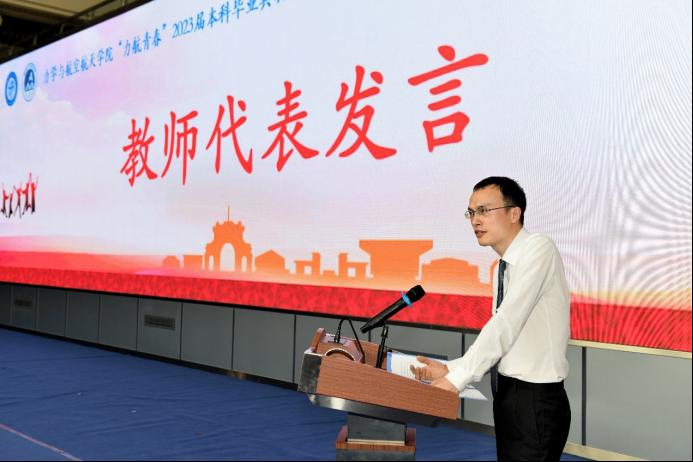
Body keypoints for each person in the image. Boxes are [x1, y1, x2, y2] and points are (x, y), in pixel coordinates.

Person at [410, 176, 571, 461]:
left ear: (514, 213)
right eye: (471, 213)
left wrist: (457, 379)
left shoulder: (539, 249)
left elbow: (506, 323)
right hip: (508, 395)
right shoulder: (501, 266)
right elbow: (503, 341)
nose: (475, 220)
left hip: (535, 401)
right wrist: (450, 369)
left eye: (484, 211)